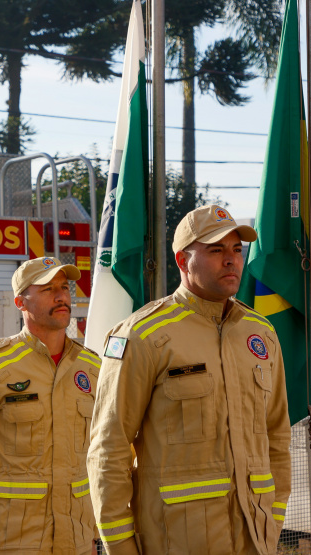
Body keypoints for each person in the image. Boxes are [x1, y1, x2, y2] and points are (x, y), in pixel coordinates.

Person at [87, 204, 291, 555]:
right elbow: (109, 449)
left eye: (236, 249)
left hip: (255, 542)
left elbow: (277, 436)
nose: (231, 260)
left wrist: (274, 519)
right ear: (182, 260)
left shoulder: (261, 333)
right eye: (216, 250)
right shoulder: (142, 335)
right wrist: (120, 546)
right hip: (176, 541)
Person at [0, 256, 101, 555]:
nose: (61, 296)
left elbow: (102, 455)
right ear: (20, 303)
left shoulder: (92, 367)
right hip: (15, 544)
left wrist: (93, 534)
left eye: (64, 287)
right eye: (47, 289)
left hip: (79, 543)